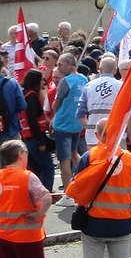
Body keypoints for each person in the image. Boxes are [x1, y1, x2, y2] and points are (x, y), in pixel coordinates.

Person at [71, 118, 131, 258]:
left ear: (97, 135)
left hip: (93, 225)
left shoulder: (89, 158)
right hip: (122, 225)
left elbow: (76, 188)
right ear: (118, 134)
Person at [0, 139, 50, 257]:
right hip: (27, 236)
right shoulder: (27, 177)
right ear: (20, 155)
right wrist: (38, 214)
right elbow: (46, 198)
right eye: (26, 153)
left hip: (3, 235)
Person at [52, 52, 87, 197]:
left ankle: (68, 192)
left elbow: (56, 103)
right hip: (77, 122)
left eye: (60, 64)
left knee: (64, 159)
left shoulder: (66, 81)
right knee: (74, 153)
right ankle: (83, 182)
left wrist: (54, 112)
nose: (58, 67)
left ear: (69, 64)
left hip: (64, 123)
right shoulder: (84, 79)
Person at [19, 70, 54, 191]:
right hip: (35, 137)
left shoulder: (24, 94)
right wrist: (41, 141)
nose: (43, 83)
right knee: (47, 167)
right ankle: (45, 194)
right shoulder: (32, 96)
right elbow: (32, 120)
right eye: (41, 80)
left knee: (34, 169)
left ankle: (32, 196)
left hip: (27, 137)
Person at [82, 56, 121, 147]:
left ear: (100, 69)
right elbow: (130, 113)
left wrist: (89, 128)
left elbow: (80, 112)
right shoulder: (122, 86)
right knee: (116, 160)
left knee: (94, 161)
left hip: (93, 136)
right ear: (115, 70)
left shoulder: (89, 86)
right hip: (116, 136)